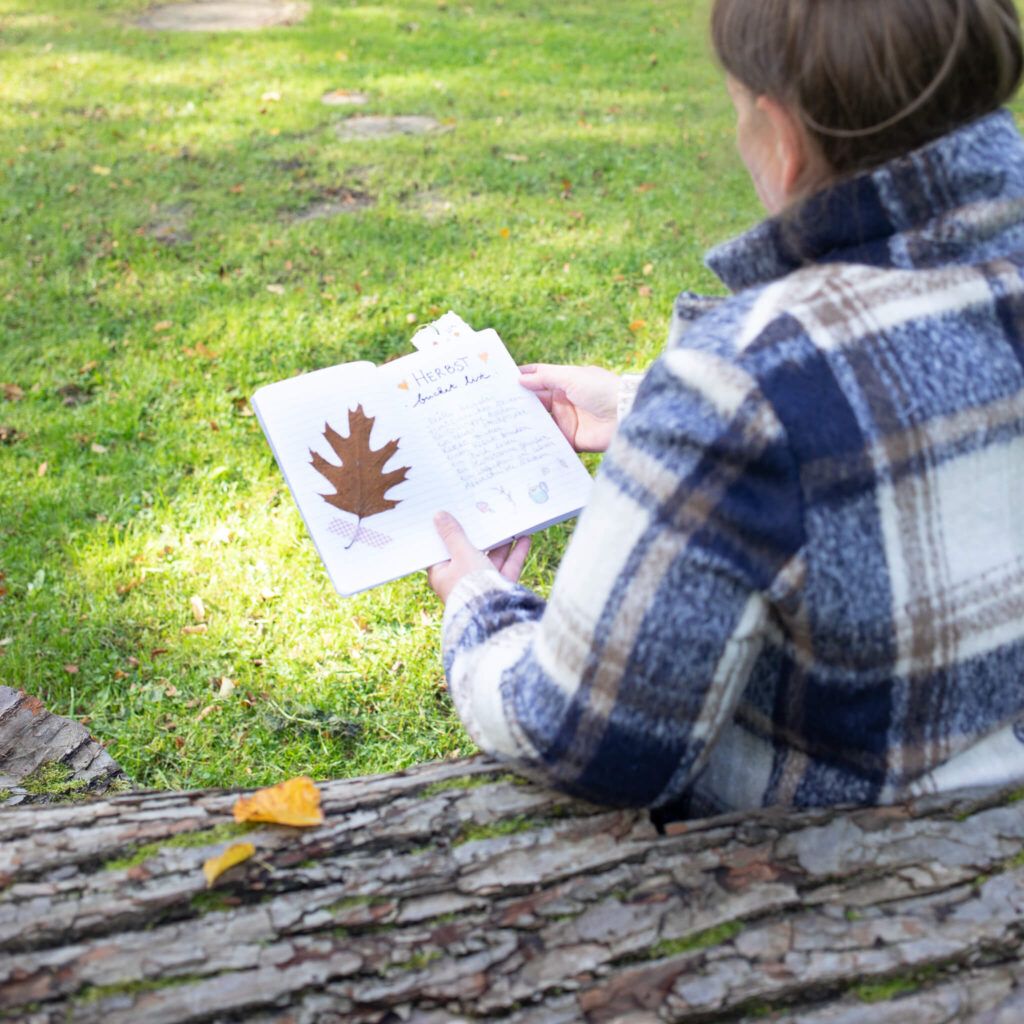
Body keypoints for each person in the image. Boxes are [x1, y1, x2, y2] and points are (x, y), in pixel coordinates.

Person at [427, 0, 1024, 818]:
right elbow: (923, 392)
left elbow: (585, 738)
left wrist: (479, 606)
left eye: (739, 108)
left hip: (848, 869)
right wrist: (639, 405)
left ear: (781, 141)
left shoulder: (742, 381)